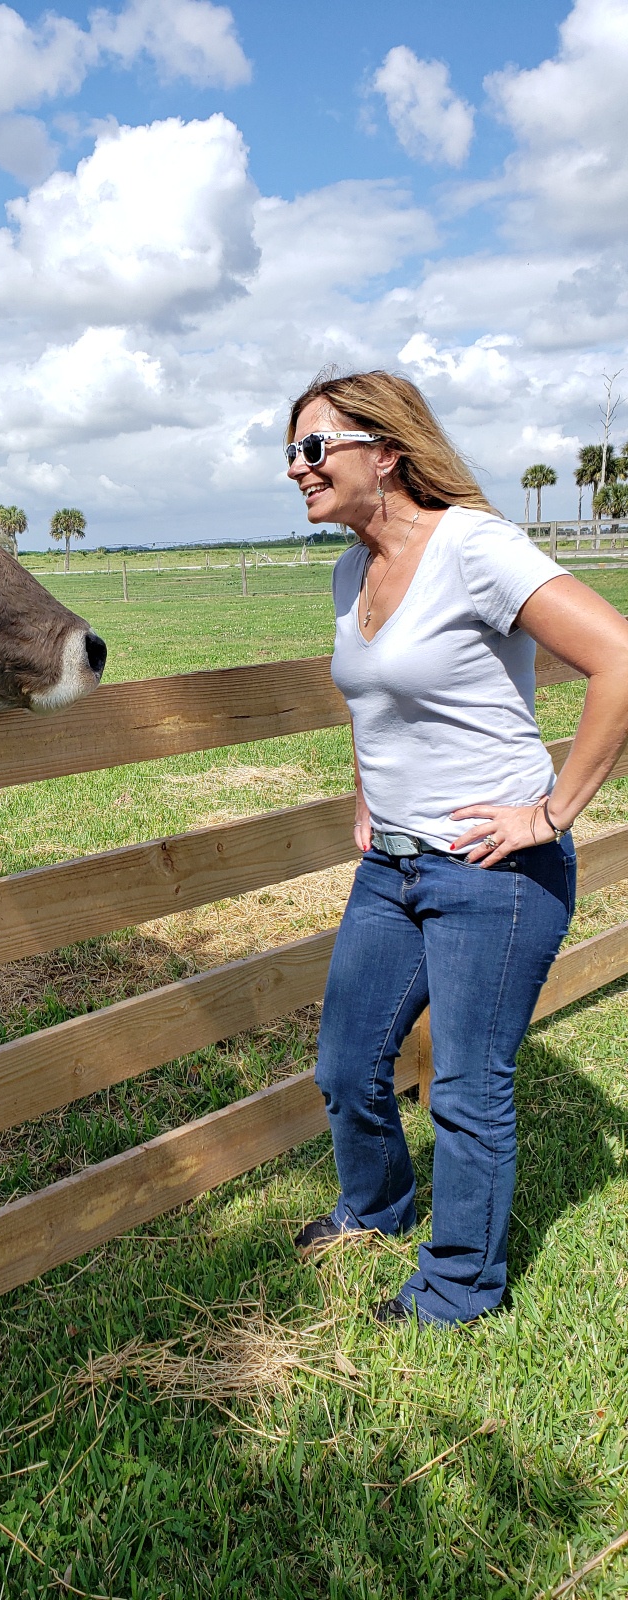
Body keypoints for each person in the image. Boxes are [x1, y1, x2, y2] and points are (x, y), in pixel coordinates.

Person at [285, 369, 628, 1326]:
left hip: (495, 871)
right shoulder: (351, 567)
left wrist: (551, 814)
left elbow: (619, 658)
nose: (297, 468)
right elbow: (371, 698)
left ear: (384, 452)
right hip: (390, 866)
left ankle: (459, 1288)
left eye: (314, 448)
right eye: (289, 453)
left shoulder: (474, 546)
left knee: (470, 1091)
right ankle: (377, 1208)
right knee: (347, 1065)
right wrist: (366, 799)